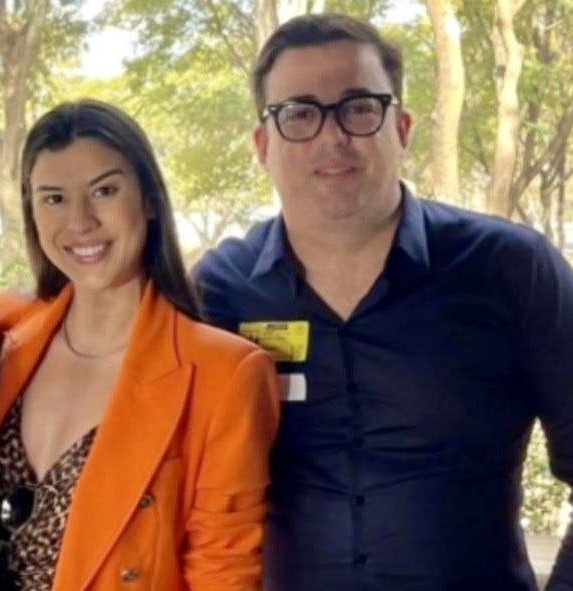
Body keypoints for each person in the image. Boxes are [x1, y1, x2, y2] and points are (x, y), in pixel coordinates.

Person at [193, 12, 573, 591]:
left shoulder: (510, 269)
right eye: (299, 113)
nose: (332, 136)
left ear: (402, 127)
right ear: (263, 145)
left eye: (358, 107)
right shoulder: (217, 292)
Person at [0, 99, 280, 590]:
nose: (80, 221)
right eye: (54, 198)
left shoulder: (224, 372)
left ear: (150, 200)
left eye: (105, 191)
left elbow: (223, 570)